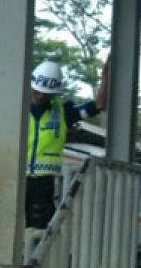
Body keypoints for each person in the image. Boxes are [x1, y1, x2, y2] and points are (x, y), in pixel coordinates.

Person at [25, 59, 108, 230]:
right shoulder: (16, 108)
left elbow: (98, 105)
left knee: (39, 226)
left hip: (43, 182)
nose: (40, 96)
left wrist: (105, 75)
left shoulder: (64, 113)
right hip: (16, 177)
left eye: (45, 94)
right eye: (37, 92)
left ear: (54, 94)